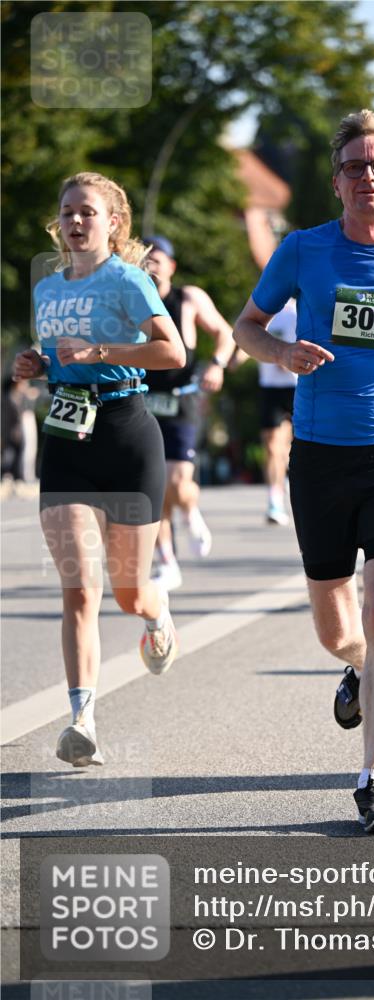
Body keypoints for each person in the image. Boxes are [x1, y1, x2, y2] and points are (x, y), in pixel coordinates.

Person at [234, 109, 374, 835]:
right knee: (337, 627)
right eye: (356, 166)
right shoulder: (302, 251)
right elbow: (246, 327)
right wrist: (281, 353)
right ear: (337, 182)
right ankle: (357, 666)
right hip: (321, 454)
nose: (369, 176)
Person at [13, 172, 185, 767]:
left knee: (128, 591)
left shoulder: (129, 279)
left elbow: (173, 352)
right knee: (80, 589)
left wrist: (101, 352)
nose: (75, 221)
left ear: (113, 222)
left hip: (126, 434)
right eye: (67, 212)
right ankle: (82, 718)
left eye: (87, 211)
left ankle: (157, 613)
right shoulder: (47, 289)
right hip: (67, 439)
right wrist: (34, 363)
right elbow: (56, 359)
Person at [143, 236, 235, 590]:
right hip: (142, 401)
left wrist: (216, 365)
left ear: (172, 266)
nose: (150, 264)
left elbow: (225, 334)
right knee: (153, 487)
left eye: (157, 258)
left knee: (178, 482)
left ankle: (190, 512)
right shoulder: (131, 300)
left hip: (181, 399)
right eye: (144, 258)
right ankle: (166, 560)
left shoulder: (189, 298)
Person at [257, 298, 298, 525]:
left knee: (291, 446)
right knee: (273, 445)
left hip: (297, 385)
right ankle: (274, 499)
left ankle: (289, 481)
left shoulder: (298, 310)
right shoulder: (262, 307)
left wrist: (288, 358)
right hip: (270, 387)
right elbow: (249, 337)